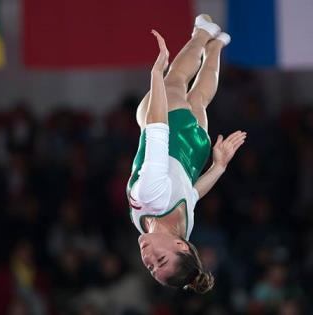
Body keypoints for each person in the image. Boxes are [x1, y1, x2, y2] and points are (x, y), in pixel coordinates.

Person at [126, 14, 247, 294]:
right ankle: (202, 33)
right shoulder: (149, 198)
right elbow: (156, 131)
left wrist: (218, 167)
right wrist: (158, 76)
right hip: (171, 130)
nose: (148, 259)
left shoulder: (183, 229)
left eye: (151, 267)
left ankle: (215, 47)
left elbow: (191, 194)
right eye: (160, 259)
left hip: (197, 152)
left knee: (200, 98)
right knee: (177, 79)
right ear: (181, 246)